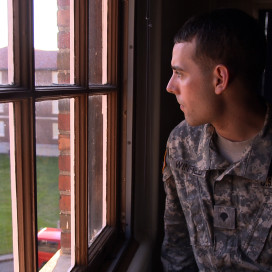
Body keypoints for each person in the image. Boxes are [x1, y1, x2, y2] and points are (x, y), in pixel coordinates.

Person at [161, 8, 272, 272]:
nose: (170, 86)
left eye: (180, 73)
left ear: (219, 78)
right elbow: (177, 246)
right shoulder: (182, 144)